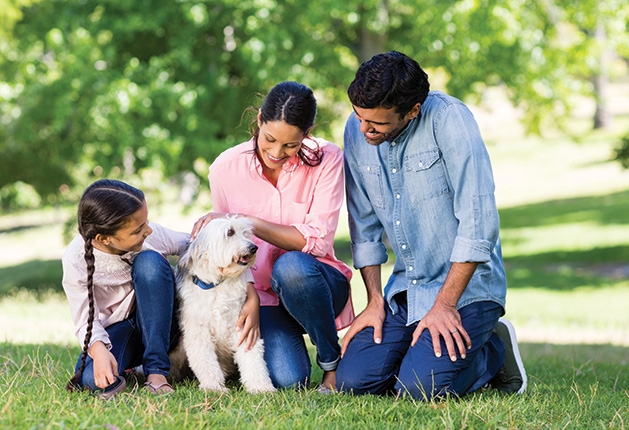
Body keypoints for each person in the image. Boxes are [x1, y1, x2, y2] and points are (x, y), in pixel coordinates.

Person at [336, 51, 527, 400]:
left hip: (467, 290)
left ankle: (491, 353)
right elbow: (363, 226)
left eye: (376, 123)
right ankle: (418, 350)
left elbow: (478, 223)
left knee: (418, 389)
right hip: (407, 287)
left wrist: (444, 305)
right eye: (359, 117)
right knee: (355, 382)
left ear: (412, 110)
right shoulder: (357, 129)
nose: (364, 130)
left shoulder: (450, 120)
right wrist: (375, 301)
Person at [192, 81, 354, 392]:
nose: (277, 153)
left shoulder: (328, 160)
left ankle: (332, 362)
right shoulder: (225, 169)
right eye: (269, 139)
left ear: (306, 133)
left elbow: (317, 240)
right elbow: (228, 253)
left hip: (316, 284)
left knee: (291, 267)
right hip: (263, 297)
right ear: (259, 119)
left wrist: (250, 221)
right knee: (289, 379)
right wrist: (250, 296)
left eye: (291, 145)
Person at [62, 179, 195, 398]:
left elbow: (195, 244)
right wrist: (99, 350)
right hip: (121, 329)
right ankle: (130, 366)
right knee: (90, 381)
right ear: (104, 238)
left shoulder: (149, 236)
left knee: (149, 263)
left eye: (147, 222)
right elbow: (85, 318)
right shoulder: (76, 260)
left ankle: (156, 372)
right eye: (138, 229)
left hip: (165, 325)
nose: (149, 230)